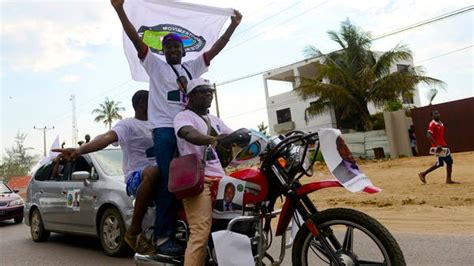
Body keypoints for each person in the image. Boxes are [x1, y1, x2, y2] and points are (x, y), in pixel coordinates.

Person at [111, 0, 242, 255]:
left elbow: (215, 49)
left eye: (176, 46)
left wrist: (233, 26)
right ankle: (162, 236)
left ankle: (197, 225)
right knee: (169, 180)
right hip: (164, 130)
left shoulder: (191, 68)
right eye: (168, 46)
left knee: (197, 179)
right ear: (163, 50)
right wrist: (119, 10)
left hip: (188, 127)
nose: (172, 49)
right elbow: (135, 39)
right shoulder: (155, 64)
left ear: (183, 51)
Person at [53, 90, 157, 254]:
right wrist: (80, 150)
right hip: (138, 178)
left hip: (164, 176)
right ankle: (134, 230)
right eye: (153, 99)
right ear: (142, 103)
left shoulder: (159, 123)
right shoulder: (128, 125)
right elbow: (107, 137)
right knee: (153, 172)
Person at [174, 78, 234, 266]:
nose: (208, 94)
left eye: (210, 91)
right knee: (200, 232)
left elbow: (233, 137)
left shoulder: (215, 120)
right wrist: (212, 139)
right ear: (190, 96)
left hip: (222, 180)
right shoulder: (183, 117)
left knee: (238, 225)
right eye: (203, 91)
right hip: (200, 181)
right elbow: (188, 134)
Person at [418, 110, 458, 184]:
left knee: (449, 162)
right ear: (432, 116)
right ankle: (423, 174)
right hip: (438, 147)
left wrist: (443, 145)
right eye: (435, 114)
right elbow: (428, 135)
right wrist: (437, 145)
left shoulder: (441, 124)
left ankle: (448, 180)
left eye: (438, 113)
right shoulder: (432, 124)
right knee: (440, 163)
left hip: (444, 146)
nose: (437, 114)